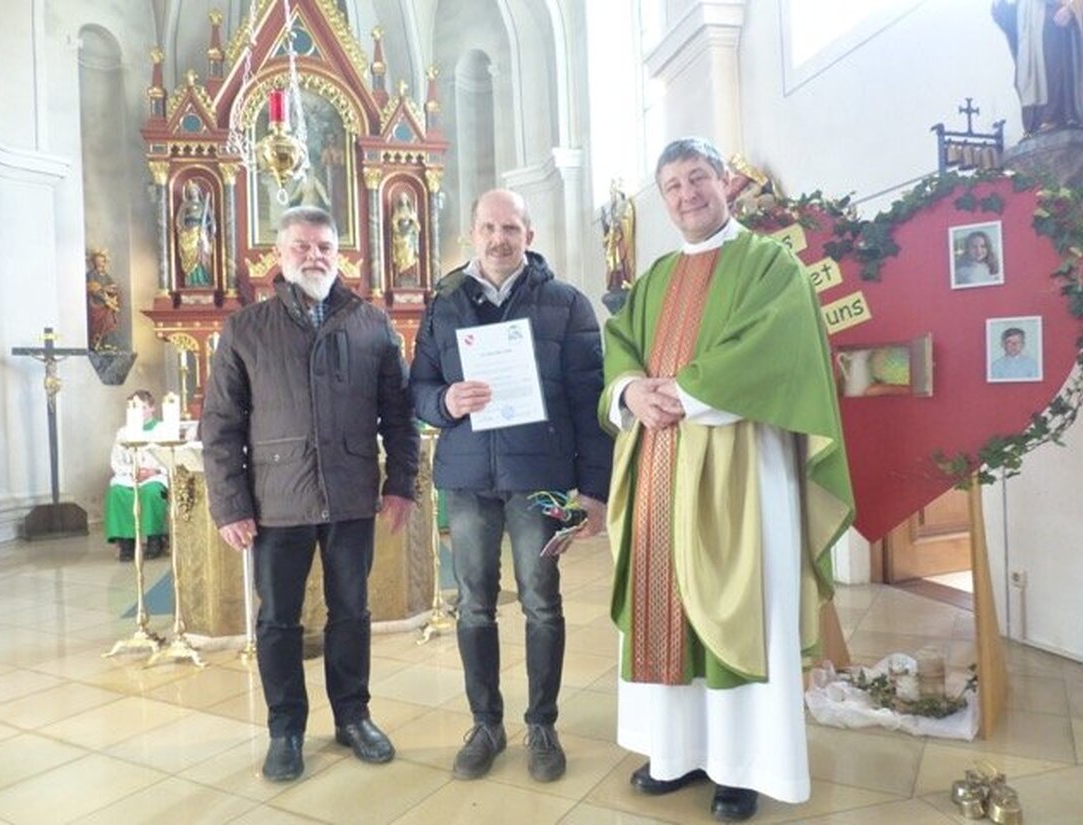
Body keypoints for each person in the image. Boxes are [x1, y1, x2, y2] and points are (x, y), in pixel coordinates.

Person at [599, 137, 854, 822]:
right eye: (672, 185)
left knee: (738, 603)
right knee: (666, 604)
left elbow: (777, 344)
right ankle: (673, 751)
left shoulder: (771, 263)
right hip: (658, 461)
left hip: (742, 464)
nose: (686, 194)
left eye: (697, 178)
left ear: (725, 183)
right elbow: (619, 343)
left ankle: (743, 766)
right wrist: (630, 392)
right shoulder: (653, 277)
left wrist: (682, 391)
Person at [202, 205, 419, 783]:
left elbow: (398, 418)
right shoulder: (245, 329)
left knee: (352, 611)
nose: (314, 256)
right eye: (301, 246)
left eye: (324, 246)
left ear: (338, 252)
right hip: (276, 501)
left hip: (350, 495)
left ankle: (353, 716)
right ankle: (285, 729)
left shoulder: (371, 323)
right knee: (278, 620)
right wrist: (230, 504)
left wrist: (401, 483)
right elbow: (219, 426)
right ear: (280, 254)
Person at [410, 189, 613, 784]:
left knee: (542, 602)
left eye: (511, 228)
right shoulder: (443, 303)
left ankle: (542, 724)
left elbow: (590, 401)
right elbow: (418, 387)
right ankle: (486, 723)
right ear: (472, 234)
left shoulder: (567, 304)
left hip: (542, 481)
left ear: (529, 232)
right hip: (469, 480)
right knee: (473, 604)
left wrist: (593, 493)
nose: (499, 238)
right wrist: (444, 401)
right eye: (488, 228)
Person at [992, 0, 1083, 135]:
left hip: (1050, 20)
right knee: (1027, 77)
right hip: (1027, 31)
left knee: (1052, 67)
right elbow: (1012, 24)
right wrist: (1003, 12)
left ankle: (1053, 116)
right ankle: (1034, 122)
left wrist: (1070, 8)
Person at [105, 390, 168, 562]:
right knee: (118, 491)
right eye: (133, 408)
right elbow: (116, 461)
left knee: (151, 493)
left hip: (155, 476)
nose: (137, 412)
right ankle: (126, 543)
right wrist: (132, 471)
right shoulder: (124, 432)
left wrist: (154, 471)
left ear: (152, 408)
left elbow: (170, 458)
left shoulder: (163, 429)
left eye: (142, 407)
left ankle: (155, 539)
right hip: (130, 475)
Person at [176, 180, 215, 287]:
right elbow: (179, 220)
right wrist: (184, 231)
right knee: (190, 254)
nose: (193, 192)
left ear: (198, 191)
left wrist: (208, 231)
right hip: (188, 234)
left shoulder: (203, 206)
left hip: (200, 233)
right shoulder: (185, 205)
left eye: (194, 189)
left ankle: (203, 279)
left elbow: (212, 221)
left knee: (201, 254)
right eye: (190, 190)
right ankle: (191, 281)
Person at [86, 248, 121, 351]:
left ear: (105, 262)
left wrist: (113, 295)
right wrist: (104, 296)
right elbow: (93, 289)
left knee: (110, 323)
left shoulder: (106, 276)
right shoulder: (91, 275)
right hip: (96, 304)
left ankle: (107, 343)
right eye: (97, 261)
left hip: (107, 305)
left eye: (101, 261)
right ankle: (96, 342)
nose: (99, 263)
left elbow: (113, 287)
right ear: (93, 262)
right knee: (97, 324)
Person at [390, 192, 421, 286]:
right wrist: (397, 225)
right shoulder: (398, 211)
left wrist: (412, 220)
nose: (403, 199)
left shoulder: (411, 211)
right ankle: (402, 273)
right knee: (401, 256)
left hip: (409, 235)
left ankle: (409, 273)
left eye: (404, 198)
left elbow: (417, 226)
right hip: (400, 235)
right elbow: (394, 222)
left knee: (409, 255)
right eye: (401, 198)